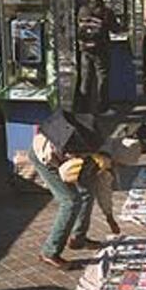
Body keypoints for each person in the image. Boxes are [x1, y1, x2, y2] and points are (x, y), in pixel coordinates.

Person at [28, 111, 106, 269]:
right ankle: (49, 252)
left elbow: (102, 185)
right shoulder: (55, 151)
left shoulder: (92, 140)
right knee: (70, 201)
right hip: (48, 161)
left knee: (87, 191)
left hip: (71, 156)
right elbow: (63, 172)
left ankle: (78, 238)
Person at [77, 0, 120, 114]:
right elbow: (115, 29)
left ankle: (84, 108)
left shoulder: (82, 10)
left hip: (85, 48)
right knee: (103, 76)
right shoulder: (105, 11)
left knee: (86, 78)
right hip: (101, 48)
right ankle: (103, 107)